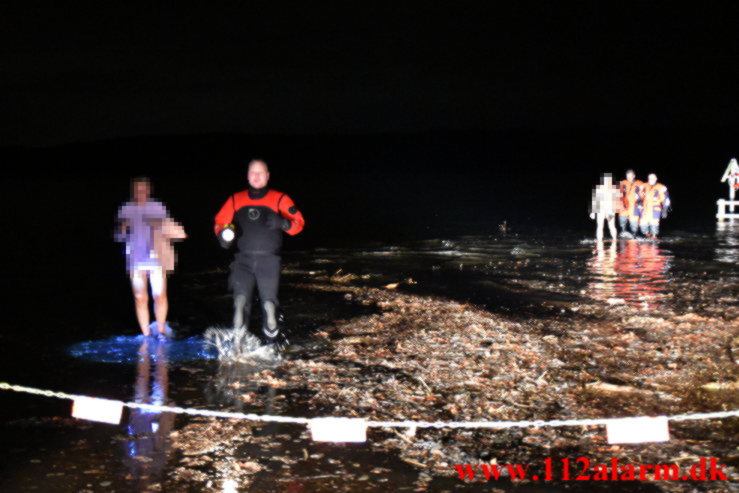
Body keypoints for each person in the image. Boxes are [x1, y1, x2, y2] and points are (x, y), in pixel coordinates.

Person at [214, 159, 305, 344]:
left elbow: (298, 225)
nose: (256, 176)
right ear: (247, 175)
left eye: (260, 172)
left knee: (269, 305)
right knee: (239, 304)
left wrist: (283, 223)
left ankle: (272, 346)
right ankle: (237, 351)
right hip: (242, 260)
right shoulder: (235, 199)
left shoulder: (279, 198)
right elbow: (219, 222)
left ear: (268, 175)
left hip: (269, 261)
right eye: (252, 172)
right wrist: (223, 234)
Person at [116, 177, 186, 338]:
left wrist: (158, 224)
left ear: (148, 190)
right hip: (135, 258)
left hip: (155, 257)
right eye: (137, 189)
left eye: (143, 189)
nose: (140, 192)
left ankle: (160, 330)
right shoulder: (126, 208)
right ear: (133, 191)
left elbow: (168, 227)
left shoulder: (157, 206)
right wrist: (123, 227)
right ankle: (146, 334)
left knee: (159, 295)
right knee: (140, 297)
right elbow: (119, 236)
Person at [589, 173, 622, 241]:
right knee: (600, 226)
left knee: (612, 226)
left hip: (610, 211)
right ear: (603, 180)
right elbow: (595, 201)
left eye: (609, 180)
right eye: (606, 180)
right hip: (601, 210)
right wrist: (592, 212)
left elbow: (618, 202)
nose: (607, 181)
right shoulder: (599, 189)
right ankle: (599, 241)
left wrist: (616, 211)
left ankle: (615, 240)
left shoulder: (614, 189)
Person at [638, 173, 671, 238]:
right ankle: (647, 235)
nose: (651, 180)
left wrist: (664, 210)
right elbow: (638, 194)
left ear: (656, 179)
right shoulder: (644, 186)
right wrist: (639, 201)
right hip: (645, 209)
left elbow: (666, 199)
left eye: (653, 178)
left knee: (654, 224)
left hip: (655, 209)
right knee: (642, 225)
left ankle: (654, 238)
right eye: (650, 178)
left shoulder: (661, 187)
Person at [618, 169, 643, 237]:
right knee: (622, 220)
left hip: (634, 206)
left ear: (634, 176)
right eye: (627, 177)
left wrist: (641, 203)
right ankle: (623, 233)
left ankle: (634, 235)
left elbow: (644, 194)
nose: (629, 178)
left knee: (634, 223)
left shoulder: (640, 183)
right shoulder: (622, 183)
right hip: (624, 205)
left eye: (630, 176)